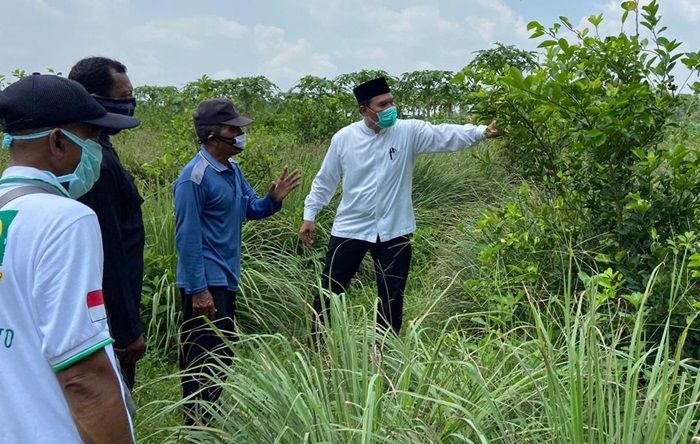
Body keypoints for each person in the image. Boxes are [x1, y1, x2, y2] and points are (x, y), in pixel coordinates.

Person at [300, 77, 503, 335]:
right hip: (350, 229)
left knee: (391, 298)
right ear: (365, 110)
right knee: (329, 291)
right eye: (383, 104)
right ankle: (318, 348)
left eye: (392, 101)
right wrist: (310, 214)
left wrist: (481, 132)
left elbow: (445, 134)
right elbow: (325, 180)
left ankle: (384, 354)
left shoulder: (408, 131)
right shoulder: (344, 138)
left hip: (394, 231)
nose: (391, 108)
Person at [0, 73, 140, 442]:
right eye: (92, 139)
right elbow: (83, 375)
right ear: (58, 141)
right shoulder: (65, 220)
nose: (96, 152)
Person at [174, 98, 301, 424]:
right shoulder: (195, 177)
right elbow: (187, 237)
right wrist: (199, 290)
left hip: (227, 277)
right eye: (234, 128)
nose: (241, 133)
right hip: (206, 281)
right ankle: (195, 427)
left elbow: (250, 209)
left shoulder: (232, 170)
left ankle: (207, 423)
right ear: (213, 135)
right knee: (203, 359)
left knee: (222, 356)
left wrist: (273, 199)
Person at [68, 57, 145, 390]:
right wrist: (127, 330)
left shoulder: (99, 149)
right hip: (107, 318)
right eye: (122, 95)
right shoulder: (93, 163)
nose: (130, 102)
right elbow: (108, 249)